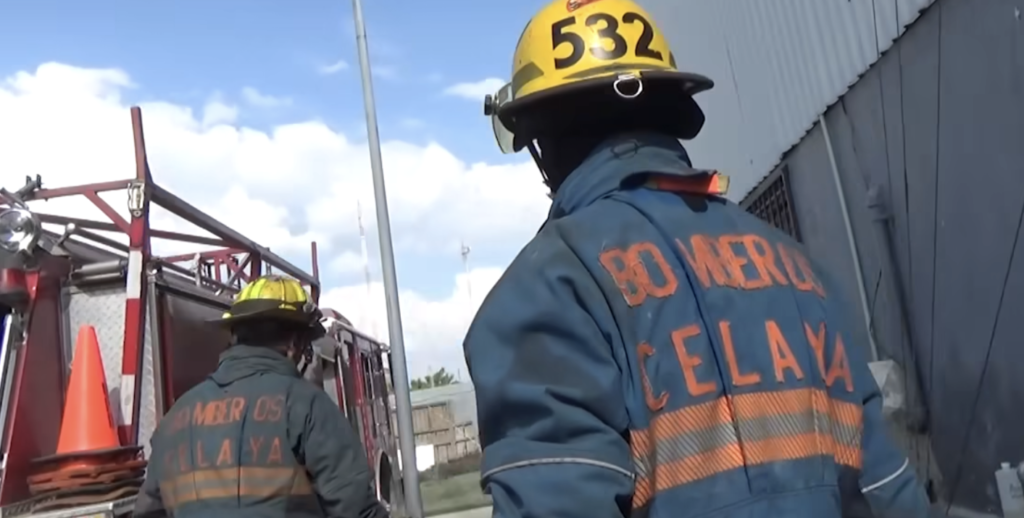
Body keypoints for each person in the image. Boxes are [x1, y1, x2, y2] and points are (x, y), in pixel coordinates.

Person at [463, 0, 933, 516]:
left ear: (541, 141)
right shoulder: (799, 271)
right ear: (671, 111)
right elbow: (887, 491)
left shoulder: (545, 292)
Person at [134, 275, 388, 518]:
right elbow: (356, 509)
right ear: (295, 344)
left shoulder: (174, 420)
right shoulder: (308, 408)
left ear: (234, 335)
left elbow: (148, 512)